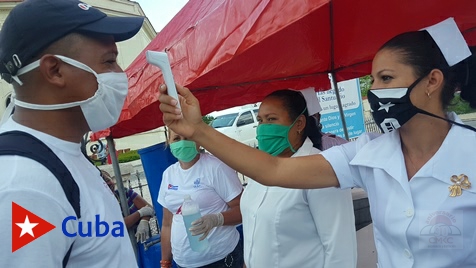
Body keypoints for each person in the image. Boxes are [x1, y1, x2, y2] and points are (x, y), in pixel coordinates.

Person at [158, 17, 476, 267]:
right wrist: (199, 131)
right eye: (374, 79)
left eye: (386, 79)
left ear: (432, 81)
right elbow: (273, 171)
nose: (374, 91)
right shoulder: (370, 152)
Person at [0, 0, 143, 267]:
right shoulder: (24, 186)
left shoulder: (63, 154)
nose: (120, 75)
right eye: (109, 61)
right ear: (55, 70)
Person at [241, 89, 357, 267]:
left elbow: (340, 251)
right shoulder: (260, 168)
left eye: (271, 119)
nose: (263, 128)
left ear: (299, 123)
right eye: (260, 121)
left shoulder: (320, 169)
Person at [158, 128, 244, 268]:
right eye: (176, 139)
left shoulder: (215, 167)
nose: (182, 143)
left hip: (221, 260)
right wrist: (165, 262)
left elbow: (244, 209)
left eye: (187, 138)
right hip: (183, 263)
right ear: (169, 142)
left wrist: (217, 219)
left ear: (198, 141)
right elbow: (167, 223)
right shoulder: (169, 174)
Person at [100, 170, 155, 243]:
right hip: (121, 245)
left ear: (112, 179)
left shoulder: (125, 192)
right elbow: (117, 226)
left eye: (107, 180)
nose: (107, 184)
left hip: (142, 240)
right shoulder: (101, 205)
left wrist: (144, 220)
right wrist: (140, 213)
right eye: (102, 183)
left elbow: (149, 208)